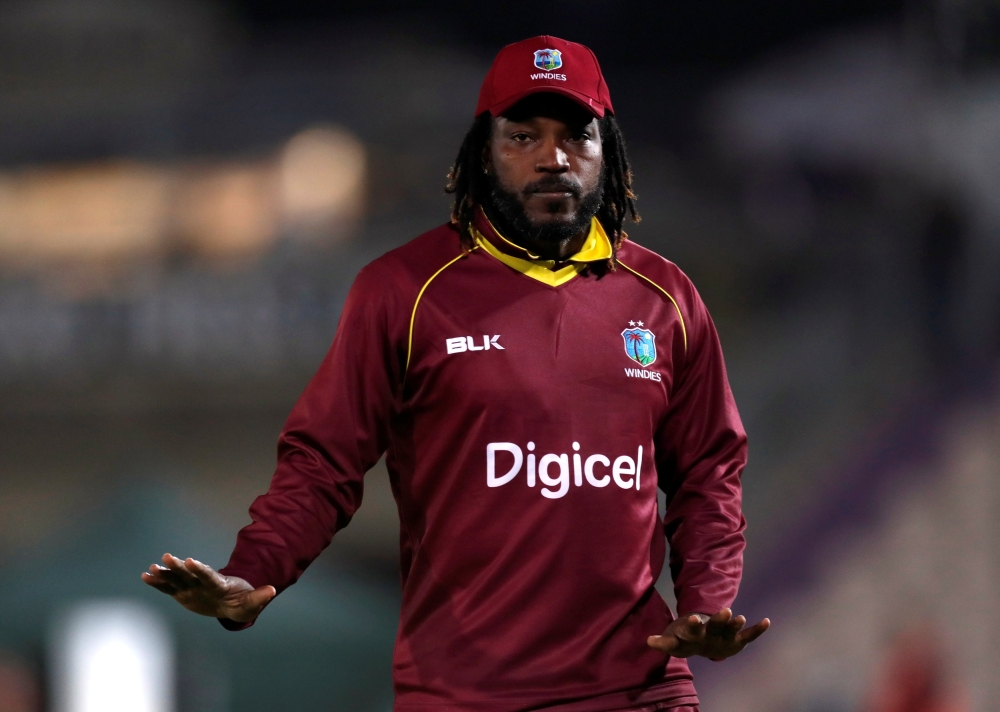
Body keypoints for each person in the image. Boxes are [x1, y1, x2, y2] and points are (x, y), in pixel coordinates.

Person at [142, 35, 769, 712]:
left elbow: (707, 473)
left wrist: (707, 601)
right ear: (483, 151)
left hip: (635, 690)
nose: (553, 158)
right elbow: (323, 463)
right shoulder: (402, 291)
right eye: (524, 135)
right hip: (466, 696)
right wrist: (253, 574)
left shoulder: (666, 298)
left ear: (606, 151)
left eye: (576, 136)